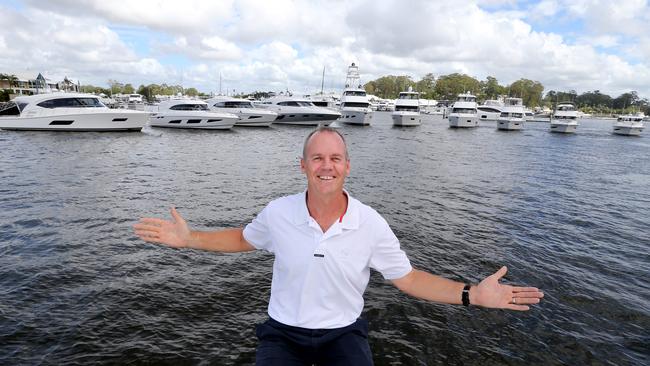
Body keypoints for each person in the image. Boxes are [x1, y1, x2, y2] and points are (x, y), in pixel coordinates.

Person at [133, 126, 544, 365]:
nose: (326, 166)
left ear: (347, 166)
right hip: (282, 334)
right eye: (317, 158)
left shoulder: (370, 223)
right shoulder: (278, 212)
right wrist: (190, 239)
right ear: (303, 166)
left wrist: (472, 294)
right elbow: (243, 238)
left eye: (334, 158)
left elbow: (409, 278)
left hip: (343, 334)